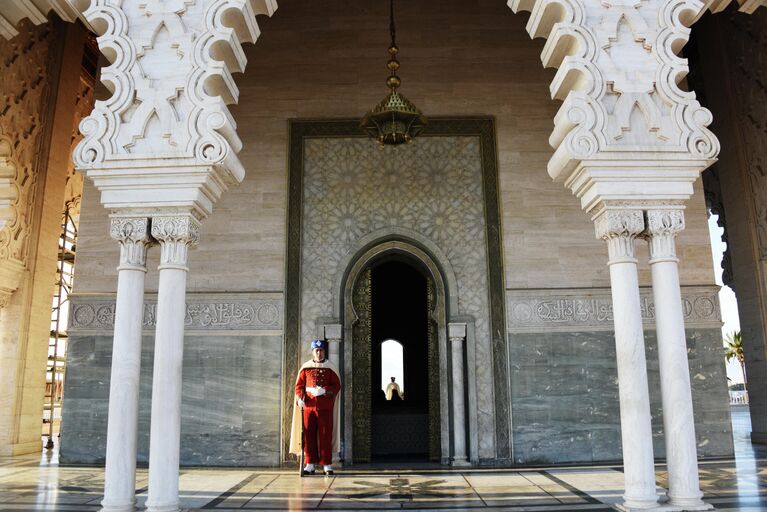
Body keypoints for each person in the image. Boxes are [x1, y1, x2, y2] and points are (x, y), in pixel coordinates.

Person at [289, 339, 341, 475]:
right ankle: (310, 464)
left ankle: (327, 465)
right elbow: (299, 385)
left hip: (325, 408)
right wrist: (300, 397)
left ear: (324, 351)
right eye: (316, 350)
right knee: (308, 436)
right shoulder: (306, 367)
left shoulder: (331, 368)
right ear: (312, 352)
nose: (319, 353)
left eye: (321, 350)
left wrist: (324, 390)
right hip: (309, 407)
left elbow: (336, 386)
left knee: (325, 436)